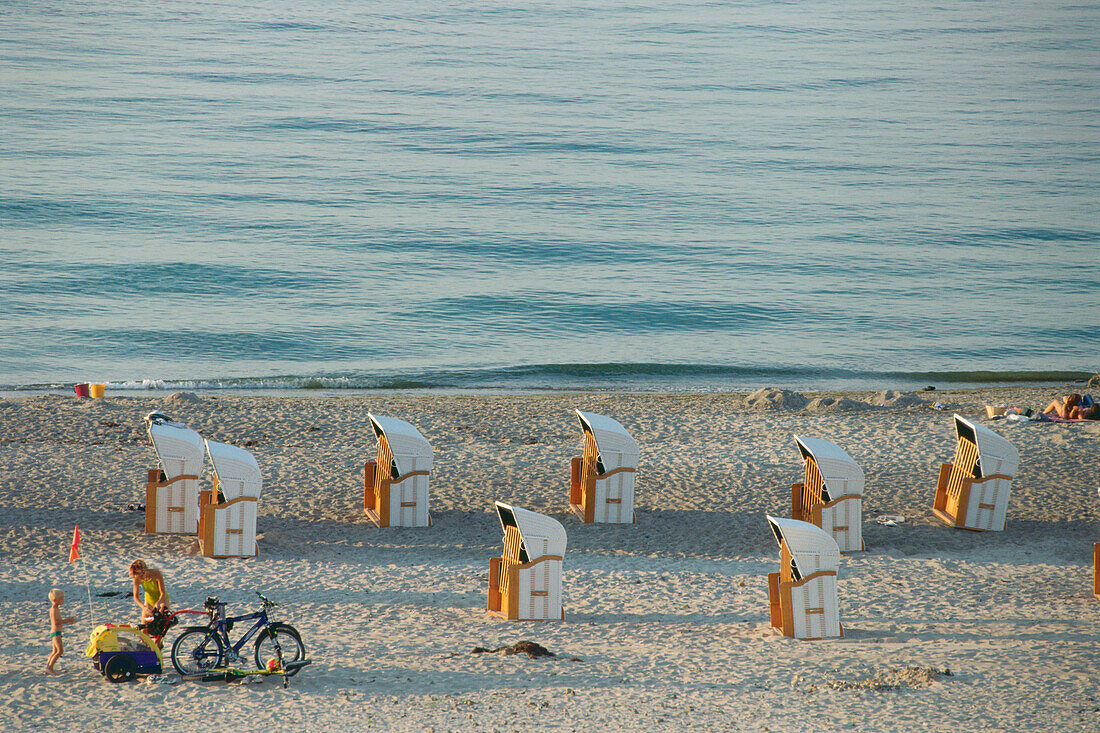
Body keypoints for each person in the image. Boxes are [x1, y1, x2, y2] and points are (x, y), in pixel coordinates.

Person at [45, 588, 76, 674]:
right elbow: (56, 622)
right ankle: (50, 668)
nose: (63, 600)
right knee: (60, 651)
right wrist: (67, 620)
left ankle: (48, 667)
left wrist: (69, 620)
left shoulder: (55, 608)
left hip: (55, 632)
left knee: (54, 651)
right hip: (56, 633)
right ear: (55, 600)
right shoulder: (54, 610)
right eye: (61, 599)